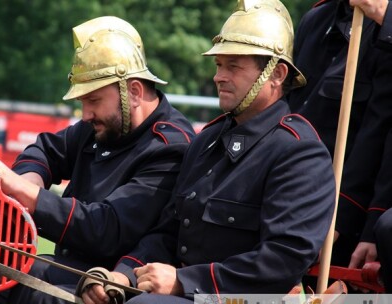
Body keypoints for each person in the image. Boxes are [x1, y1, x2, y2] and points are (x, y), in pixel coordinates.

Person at [81, 1, 336, 303]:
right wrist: (123, 275)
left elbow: (282, 261)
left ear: (277, 74)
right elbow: (168, 232)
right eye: (218, 65)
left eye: (233, 66)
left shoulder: (299, 152)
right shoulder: (207, 142)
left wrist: (184, 282)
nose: (219, 77)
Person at [0, 16, 195, 304]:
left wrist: (21, 190)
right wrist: (22, 183)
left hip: (110, 285)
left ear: (133, 92)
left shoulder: (170, 146)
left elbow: (107, 228)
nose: (86, 115)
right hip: (67, 270)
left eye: (93, 101)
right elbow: (45, 150)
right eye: (83, 103)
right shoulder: (102, 125)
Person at [287, 0, 392, 290]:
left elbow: (377, 136)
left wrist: (344, 219)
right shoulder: (316, 19)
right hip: (294, 198)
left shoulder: (385, 26)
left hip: (348, 218)